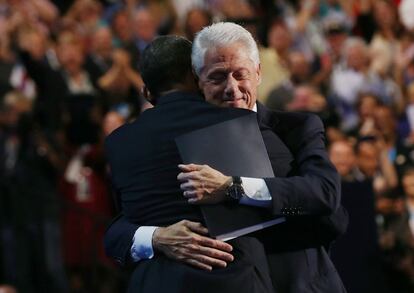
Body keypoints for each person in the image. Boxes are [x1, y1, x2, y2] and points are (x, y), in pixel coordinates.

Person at [105, 22, 347, 293]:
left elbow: (330, 212)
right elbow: (120, 228)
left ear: (258, 72)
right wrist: (157, 236)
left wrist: (235, 188)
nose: (232, 88)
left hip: (296, 283)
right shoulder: (181, 140)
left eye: (240, 74)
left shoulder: (294, 129)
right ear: (198, 82)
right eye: (218, 77)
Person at [105, 35, 275, 293]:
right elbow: (286, 208)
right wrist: (234, 188)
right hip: (234, 278)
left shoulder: (119, 142)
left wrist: (155, 237)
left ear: (147, 93)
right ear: (197, 78)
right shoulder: (238, 122)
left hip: (157, 283)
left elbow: (122, 223)